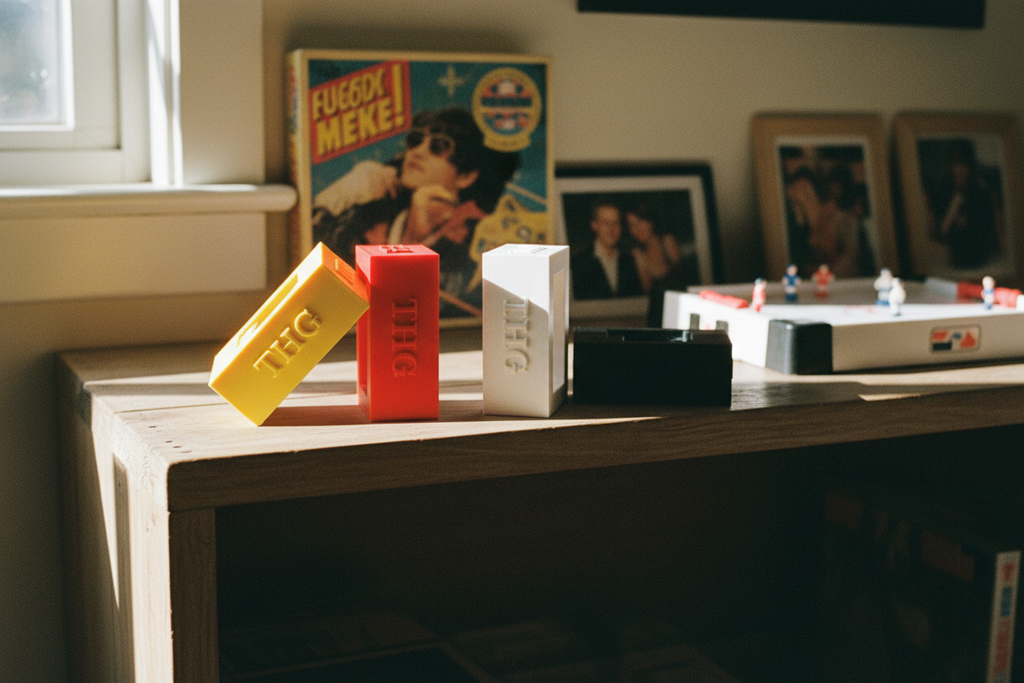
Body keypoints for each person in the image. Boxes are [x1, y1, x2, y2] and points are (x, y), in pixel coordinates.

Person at [311, 107, 519, 316]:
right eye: (415, 140)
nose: (417, 151)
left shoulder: (479, 243)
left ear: (466, 176)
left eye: (438, 147)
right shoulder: (366, 216)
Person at [926, 140, 1005, 270]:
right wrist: (953, 208)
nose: (960, 170)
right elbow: (940, 233)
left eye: (964, 165)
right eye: (956, 164)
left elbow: (990, 231)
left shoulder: (981, 194)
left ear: (970, 166)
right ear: (950, 166)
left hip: (981, 259)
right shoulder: (942, 193)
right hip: (953, 260)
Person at [570, 201, 643, 300]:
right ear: (594, 225)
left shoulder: (629, 260)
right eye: (605, 222)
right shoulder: (577, 263)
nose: (611, 228)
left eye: (616, 223)